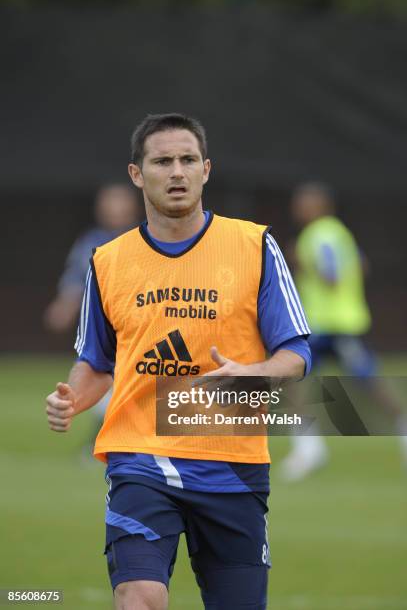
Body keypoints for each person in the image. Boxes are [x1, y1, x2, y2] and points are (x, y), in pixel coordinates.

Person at [46, 113, 311, 610]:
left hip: (232, 463)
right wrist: (71, 398)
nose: (176, 172)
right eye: (162, 161)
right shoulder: (107, 261)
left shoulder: (255, 246)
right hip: (139, 459)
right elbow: (96, 363)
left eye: (188, 160)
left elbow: (296, 354)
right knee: (138, 594)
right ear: (136, 174)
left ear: (206, 170)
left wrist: (254, 373)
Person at [278, 182, 407, 481]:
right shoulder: (338, 232)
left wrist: (300, 261)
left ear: (321, 204)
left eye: (304, 202)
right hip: (323, 325)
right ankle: (309, 449)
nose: (298, 207)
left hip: (336, 325)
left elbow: (332, 276)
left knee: (369, 383)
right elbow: (362, 264)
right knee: (294, 378)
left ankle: (400, 427)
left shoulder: (319, 236)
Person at [44, 183, 142, 333]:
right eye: (110, 201)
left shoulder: (148, 237)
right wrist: (65, 303)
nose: (115, 208)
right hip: (102, 319)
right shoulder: (91, 240)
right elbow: (76, 276)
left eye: (121, 201)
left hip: (142, 313)